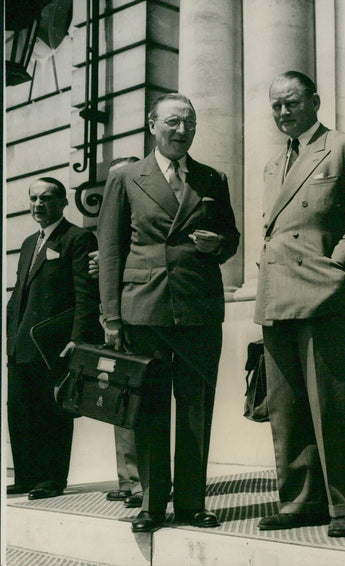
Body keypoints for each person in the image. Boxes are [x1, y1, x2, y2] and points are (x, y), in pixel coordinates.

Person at [97, 93, 240, 533]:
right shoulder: (126, 178)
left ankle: (193, 503)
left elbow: (231, 237)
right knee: (151, 409)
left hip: (198, 308)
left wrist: (220, 245)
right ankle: (152, 504)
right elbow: (110, 249)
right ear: (152, 125)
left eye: (190, 123)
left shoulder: (212, 177)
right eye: (174, 122)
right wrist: (111, 317)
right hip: (145, 309)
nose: (182, 131)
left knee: (197, 407)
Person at [253, 71, 345, 538]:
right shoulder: (273, 165)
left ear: (314, 100)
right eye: (276, 106)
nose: (283, 113)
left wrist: (337, 263)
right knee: (286, 408)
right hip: (278, 294)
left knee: (331, 406)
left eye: (291, 103)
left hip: (327, 293)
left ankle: (344, 504)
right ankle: (298, 501)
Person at [6, 177, 102, 500]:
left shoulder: (78, 238)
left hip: (54, 344)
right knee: (20, 410)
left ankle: (50, 478)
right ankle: (26, 476)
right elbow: (18, 294)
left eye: (46, 199)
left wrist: (79, 338)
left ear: (62, 202)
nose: (38, 205)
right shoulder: (29, 243)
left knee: (52, 411)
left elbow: (86, 295)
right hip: (21, 344)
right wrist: (9, 340)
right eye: (33, 198)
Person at [88, 156, 144, 510]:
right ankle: (129, 478)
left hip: (135, 311)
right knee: (120, 399)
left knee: (134, 399)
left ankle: (139, 480)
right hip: (114, 316)